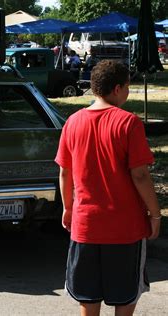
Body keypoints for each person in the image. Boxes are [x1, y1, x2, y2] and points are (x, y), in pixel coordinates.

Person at [55, 60, 161, 316]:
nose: (127, 92)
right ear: (117, 88)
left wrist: (68, 208)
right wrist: (155, 215)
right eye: (127, 87)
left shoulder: (73, 122)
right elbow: (140, 175)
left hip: (85, 226)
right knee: (124, 298)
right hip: (124, 228)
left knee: (88, 297)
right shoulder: (128, 123)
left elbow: (64, 171)